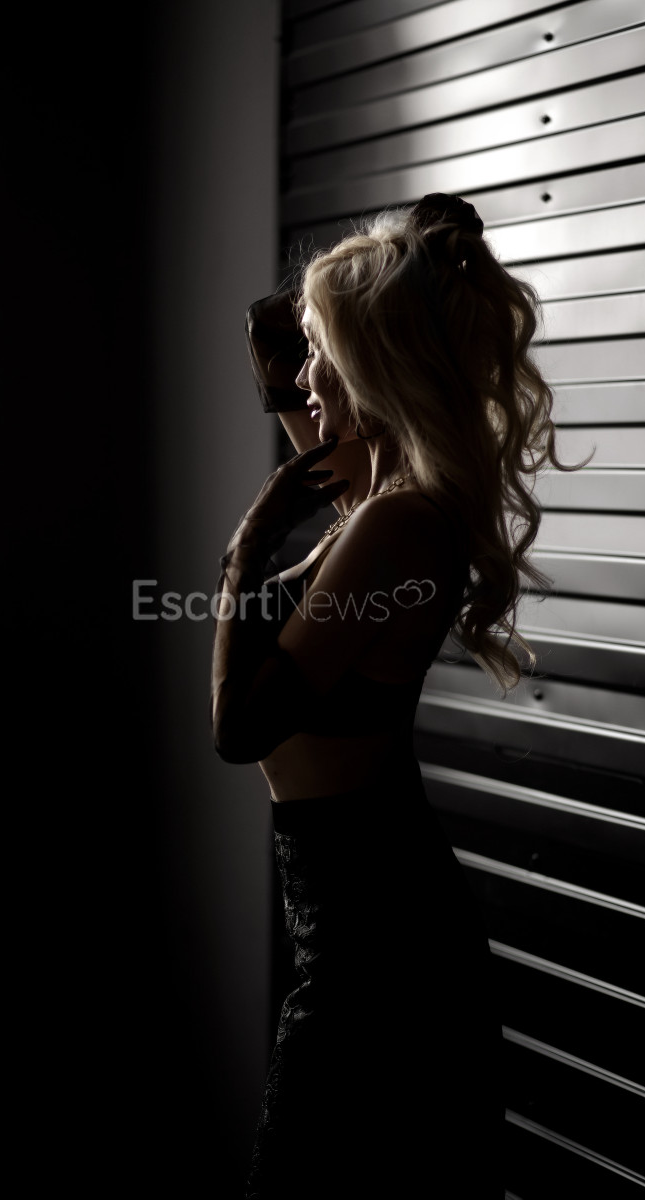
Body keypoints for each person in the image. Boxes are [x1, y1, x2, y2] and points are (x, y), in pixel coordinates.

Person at [210, 194, 578, 1197]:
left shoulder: (395, 524)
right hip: (353, 923)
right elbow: (274, 344)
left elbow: (239, 728)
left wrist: (241, 559)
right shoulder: (372, 498)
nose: (301, 382)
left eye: (320, 358)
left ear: (366, 368)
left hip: (380, 951)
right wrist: (404, 257)